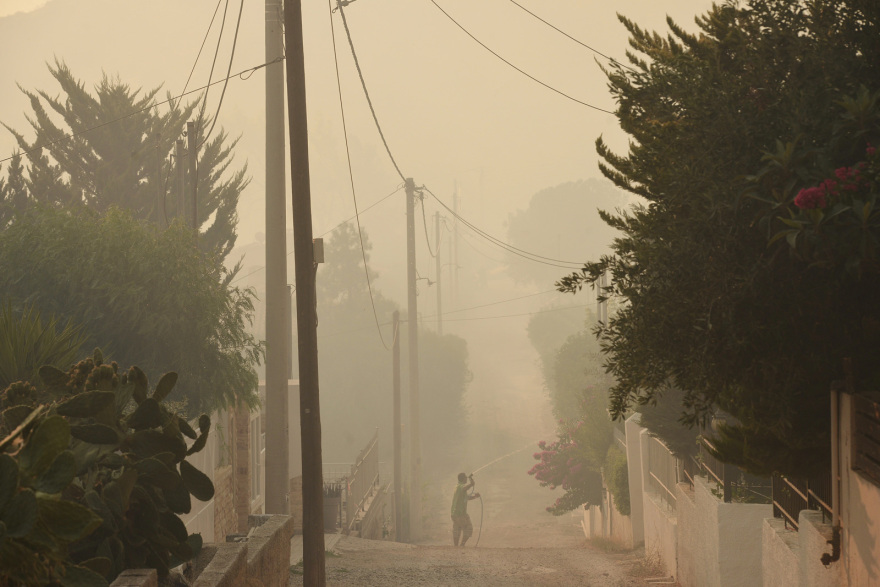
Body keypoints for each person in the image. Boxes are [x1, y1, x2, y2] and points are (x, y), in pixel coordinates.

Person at [451, 472, 480, 547]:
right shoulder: (460, 487)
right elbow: (465, 488)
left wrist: (475, 496)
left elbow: (466, 498)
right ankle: (462, 545)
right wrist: (471, 483)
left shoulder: (457, 487)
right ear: (463, 479)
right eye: (466, 477)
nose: (466, 478)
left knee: (457, 529)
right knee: (469, 528)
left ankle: (456, 547)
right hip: (460, 514)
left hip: (455, 513)